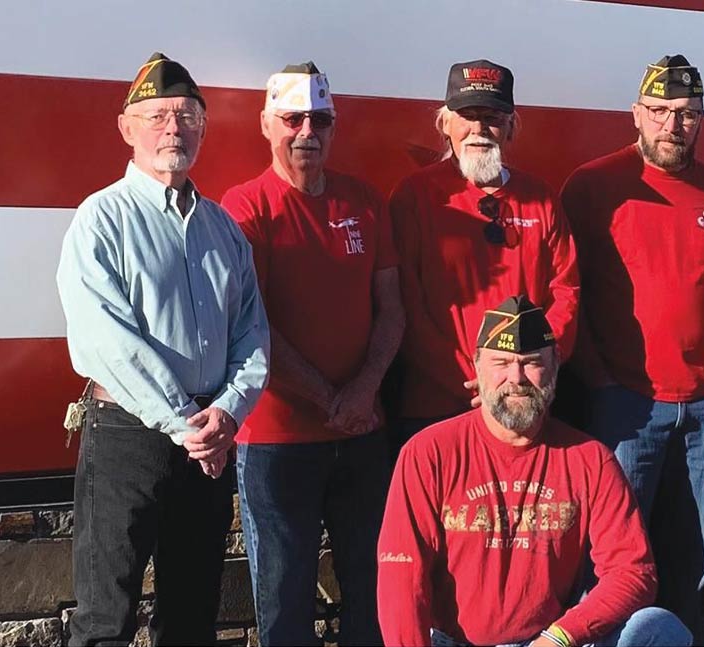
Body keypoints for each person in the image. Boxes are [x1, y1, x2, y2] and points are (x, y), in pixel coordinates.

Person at [55, 52, 270, 646]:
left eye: (185, 115)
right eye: (156, 115)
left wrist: (227, 410)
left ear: (203, 127)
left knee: (193, 612)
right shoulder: (101, 220)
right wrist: (186, 423)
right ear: (127, 129)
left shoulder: (224, 229)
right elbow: (106, 341)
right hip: (130, 434)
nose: (172, 127)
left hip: (207, 435)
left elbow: (252, 333)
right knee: (105, 617)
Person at [559, 53, 704, 636]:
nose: (674, 125)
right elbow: (570, 287)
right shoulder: (593, 187)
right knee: (614, 558)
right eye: (661, 110)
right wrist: (596, 376)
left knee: (698, 559)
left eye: (688, 113)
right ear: (636, 114)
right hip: (626, 405)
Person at [377, 295, 692, 647]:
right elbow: (402, 577)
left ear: (554, 368)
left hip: (548, 639)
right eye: (501, 363)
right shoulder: (428, 453)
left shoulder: (589, 459)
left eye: (531, 363)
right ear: (477, 368)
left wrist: (560, 636)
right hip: (454, 641)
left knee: (658, 628)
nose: (516, 377)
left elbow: (633, 572)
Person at [221, 62, 403, 646]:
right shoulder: (246, 206)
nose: (307, 132)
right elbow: (253, 325)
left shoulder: (366, 201)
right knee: (283, 603)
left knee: (373, 592)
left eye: (320, 119)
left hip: (361, 433)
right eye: (292, 118)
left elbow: (392, 309)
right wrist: (331, 399)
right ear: (266, 125)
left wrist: (364, 391)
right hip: (277, 442)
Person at [389, 59, 578, 442]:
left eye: (491, 116)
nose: (479, 129)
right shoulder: (415, 197)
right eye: (467, 116)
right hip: (437, 405)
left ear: (510, 126)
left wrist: (528, 368)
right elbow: (405, 300)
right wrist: (473, 377)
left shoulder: (541, 199)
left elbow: (567, 291)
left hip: (521, 399)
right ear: (445, 124)